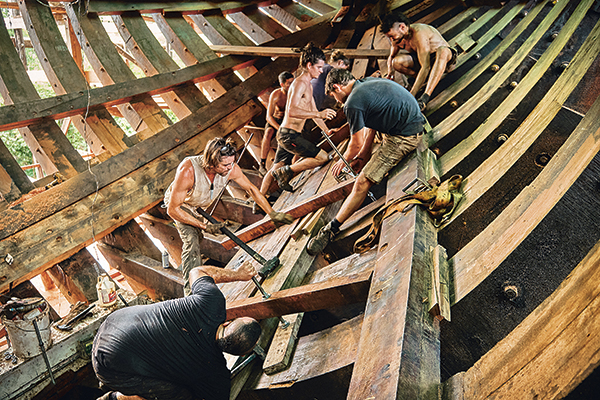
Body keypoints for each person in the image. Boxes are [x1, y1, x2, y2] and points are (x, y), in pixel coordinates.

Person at [93, 264, 261, 400]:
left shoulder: (211, 302)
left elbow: (198, 270)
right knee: (178, 394)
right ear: (240, 355)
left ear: (228, 322)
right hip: (108, 368)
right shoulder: (215, 374)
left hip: (112, 322)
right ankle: (114, 398)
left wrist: (239, 274)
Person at [307, 68, 424, 255]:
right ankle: (370, 164)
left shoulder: (352, 102)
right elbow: (370, 124)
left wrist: (343, 160)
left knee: (362, 182)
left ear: (337, 87)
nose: (337, 101)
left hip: (405, 136)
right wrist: (363, 154)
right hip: (412, 121)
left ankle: (331, 229)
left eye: (334, 96)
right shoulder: (365, 83)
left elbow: (355, 142)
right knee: (365, 152)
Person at [165, 137, 293, 295]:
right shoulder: (188, 171)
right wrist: (205, 226)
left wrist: (272, 213)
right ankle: (192, 295)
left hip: (199, 202)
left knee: (198, 238)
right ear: (211, 163)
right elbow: (172, 210)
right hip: (181, 205)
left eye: (232, 163)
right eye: (225, 165)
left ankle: (197, 273)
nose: (230, 168)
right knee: (192, 241)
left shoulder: (230, 167)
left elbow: (252, 189)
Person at [268, 43, 337, 193]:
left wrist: (327, 130)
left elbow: (313, 110)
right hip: (288, 135)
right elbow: (292, 111)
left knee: (320, 157)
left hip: (294, 135)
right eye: (319, 67)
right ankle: (284, 172)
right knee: (323, 158)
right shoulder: (299, 83)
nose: (321, 71)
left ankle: (285, 172)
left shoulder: (308, 85)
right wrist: (319, 114)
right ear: (309, 65)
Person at [381, 11, 458, 111]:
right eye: (389, 37)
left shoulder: (419, 33)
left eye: (392, 36)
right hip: (425, 63)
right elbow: (391, 57)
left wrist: (411, 95)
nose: (392, 39)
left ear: (402, 27)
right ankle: (423, 80)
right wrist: (390, 73)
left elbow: (425, 67)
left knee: (442, 51)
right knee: (396, 62)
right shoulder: (397, 38)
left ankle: (425, 96)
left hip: (444, 61)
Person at [259, 71, 294, 176]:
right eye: (289, 83)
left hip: (288, 120)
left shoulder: (295, 92)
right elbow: (268, 117)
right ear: (282, 85)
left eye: (293, 82)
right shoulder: (276, 95)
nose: (292, 85)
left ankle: (284, 162)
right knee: (268, 132)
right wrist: (279, 128)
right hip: (276, 120)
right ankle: (262, 164)